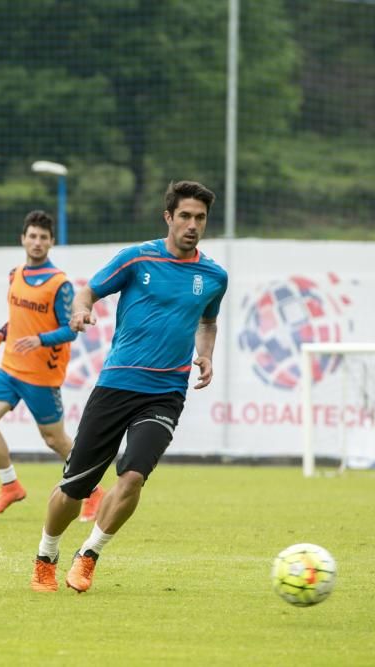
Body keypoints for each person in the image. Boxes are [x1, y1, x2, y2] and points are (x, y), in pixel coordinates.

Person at [30, 180, 228, 593]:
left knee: (134, 475)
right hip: (117, 385)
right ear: (169, 217)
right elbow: (88, 291)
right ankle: (46, 556)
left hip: (166, 393)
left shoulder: (213, 276)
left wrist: (205, 353)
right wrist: (81, 312)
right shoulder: (136, 258)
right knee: (75, 487)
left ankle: (89, 555)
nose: (193, 225)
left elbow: (207, 321)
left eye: (201, 218)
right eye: (186, 216)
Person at [0, 210, 104, 518]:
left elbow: (70, 329)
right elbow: (21, 318)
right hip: (10, 368)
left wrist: (40, 340)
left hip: (41, 374)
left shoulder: (59, 283)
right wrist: (0, 335)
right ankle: (10, 486)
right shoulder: (14, 274)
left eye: (43, 237)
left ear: (51, 243)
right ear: (23, 239)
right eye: (32, 236)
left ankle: (95, 491)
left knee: (54, 440)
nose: (37, 242)